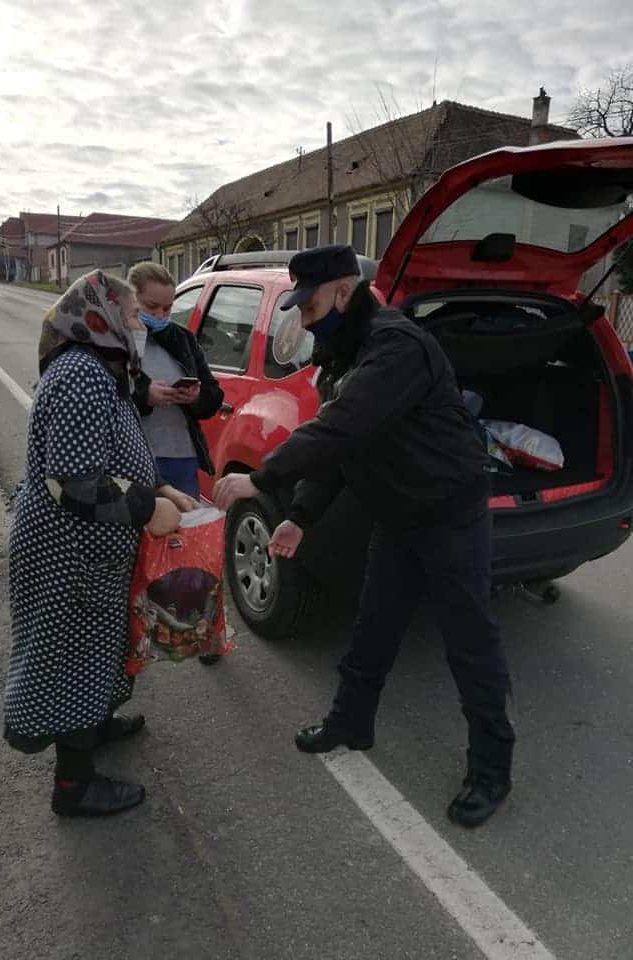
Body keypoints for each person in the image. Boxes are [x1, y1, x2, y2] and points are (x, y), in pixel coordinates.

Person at [214, 245, 515, 828]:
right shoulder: (343, 354)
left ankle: (492, 768)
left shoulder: (396, 346)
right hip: (398, 514)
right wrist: (299, 516)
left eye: (309, 304)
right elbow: (340, 453)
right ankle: (352, 721)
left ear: (344, 291)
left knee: (470, 640)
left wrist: (263, 477)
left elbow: (340, 427)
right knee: (374, 623)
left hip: (451, 514)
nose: (302, 318)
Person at [4, 269, 197, 819]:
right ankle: (74, 785)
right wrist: (146, 507)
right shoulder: (80, 375)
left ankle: (93, 722)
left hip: (89, 549)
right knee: (71, 657)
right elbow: (73, 480)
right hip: (67, 552)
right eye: (134, 316)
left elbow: (108, 453)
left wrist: (157, 485)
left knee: (98, 649)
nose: (140, 326)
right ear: (102, 317)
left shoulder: (101, 371)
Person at [127, 262, 223, 499]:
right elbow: (105, 396)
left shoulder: (183, 339)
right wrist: (145, 394)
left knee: (182, 531)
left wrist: (195, 397)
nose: (161, 315)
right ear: (132, 298)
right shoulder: (116, 339)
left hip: (181, 457)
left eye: (168, 308)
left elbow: (214, 396)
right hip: (131, 457)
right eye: (152, 306)